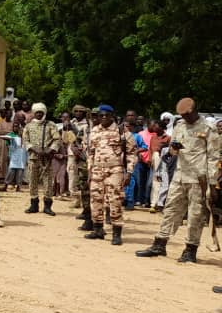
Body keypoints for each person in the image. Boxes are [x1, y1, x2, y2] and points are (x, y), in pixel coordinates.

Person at [136, 98, 221, 263]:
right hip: (180, 175)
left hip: (199, 179)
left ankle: (190, 249)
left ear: (195, 111)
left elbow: (213, 157)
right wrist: (172, 149)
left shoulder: (208, 128)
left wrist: (212, 184)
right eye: (182, 115)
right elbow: (174, 151)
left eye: (188, 115)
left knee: (195, 215)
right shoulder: (180, 125)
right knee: (170, 210)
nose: (185, 118)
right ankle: (159, 244)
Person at [84, 105, 137, 245]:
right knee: (95, 199)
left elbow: (132, 153)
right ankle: (98, 229)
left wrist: (129, 172)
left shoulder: (122, 131)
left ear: (112, 116)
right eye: (101, 115)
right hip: (96, 170)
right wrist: (89, 170)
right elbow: (90, 152)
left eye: (106, 115)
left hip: (115, 170)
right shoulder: (95, 131)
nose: (103, 118)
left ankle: (116, 232)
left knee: (115, 200)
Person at [22, 102, 60, 215]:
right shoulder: (29, 126)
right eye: (37, 112)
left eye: (41, 112)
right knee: (32, 181)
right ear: (34, 113)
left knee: (48, 181)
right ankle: (34, 204)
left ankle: (47, 206)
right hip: (33, 158)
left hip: (47, 159)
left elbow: (57, 139)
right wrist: (33, 149)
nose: (39, 114)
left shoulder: (51, 125)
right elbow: (25, 140)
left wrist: (51, 149)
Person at [4, 123, 27, 192]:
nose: (16, 128)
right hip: (13, 155)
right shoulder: (10, 135)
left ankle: (18, 187)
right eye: (14, 127)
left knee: (20, 172)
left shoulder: (23, 136)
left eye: (17, 127)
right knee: (11, 171)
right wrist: (9, 155)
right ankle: (5, 185)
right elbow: (8, 146)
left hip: (21, 155)